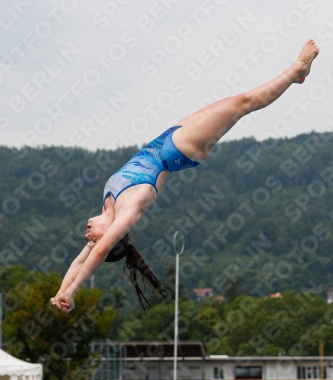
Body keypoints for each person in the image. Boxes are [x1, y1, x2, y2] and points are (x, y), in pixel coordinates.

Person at [50, 40, 319, 313]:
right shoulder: (126, 213)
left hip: (166, 140)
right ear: (107, 239)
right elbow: (96, 254)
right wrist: (73, 294)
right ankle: (297, 67)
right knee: (242, 103)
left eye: (88, 239)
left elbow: (79, 262)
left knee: (232, 102)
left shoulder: (108, 206)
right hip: (179, 149)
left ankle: (295, 76)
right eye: (92, 239)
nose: (86, 235)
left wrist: (61, 292)